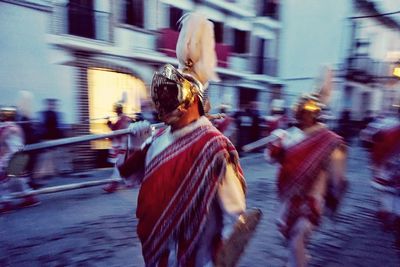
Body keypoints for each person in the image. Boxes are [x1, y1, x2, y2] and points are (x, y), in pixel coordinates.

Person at [116, 13, 249, 266]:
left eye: (172, 95)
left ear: (192, 100)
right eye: (163, 96)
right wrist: (135, 143)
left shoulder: (215, 146)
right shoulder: (158, 140)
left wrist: (220, 258)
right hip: (164, 251)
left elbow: (235, 212)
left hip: (200, 253)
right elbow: (129, 178)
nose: (165, 102)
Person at [265, 94, 347, 267]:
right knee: (293, 240)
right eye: (304, 113)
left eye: (312, 113)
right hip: (288, 198)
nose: (308, 116)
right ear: (298, 114)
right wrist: (275, 143)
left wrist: (336, 189)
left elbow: (337, 174)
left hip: (312, 199)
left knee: (298, 239)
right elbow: (270, 158)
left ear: (318, 114)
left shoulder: (329, 140)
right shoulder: (288, 136)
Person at [365, 106, 400, 247]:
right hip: (391, 175)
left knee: (389, 199)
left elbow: (377, 151)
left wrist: (376, 168)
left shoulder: (389, 130)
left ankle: (388, 216)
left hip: (389, 175)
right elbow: (377, 150)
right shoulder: (389, 131)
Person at [0, 107, 40, 213]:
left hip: (10, 157)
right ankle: (29, 198)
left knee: (3, 181)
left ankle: (5, 203)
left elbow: (1, 142)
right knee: (21, 180)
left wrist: (2, 159)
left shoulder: (5, 127)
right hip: (19, 154)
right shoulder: (17, 127)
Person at [103, 102, 133, 193]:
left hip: (122, 145)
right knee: (119, 164)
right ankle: (128, 181)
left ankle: (113, 185)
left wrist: (110, 124)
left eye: (117, 110)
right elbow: (115, 129)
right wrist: (110, 124)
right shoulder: (122, 118)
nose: (116, 112)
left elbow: (118, 131)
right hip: (120, 145)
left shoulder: (124, 118)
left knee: (118, 165)